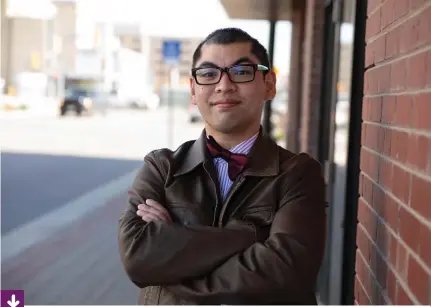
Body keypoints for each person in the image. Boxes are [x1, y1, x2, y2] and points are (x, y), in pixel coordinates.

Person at [118, 27, 326, 305]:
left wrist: (173, 267)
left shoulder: (298, 174)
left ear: (269, 84)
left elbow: (284, 270)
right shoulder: (161, 168)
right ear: (193, 89)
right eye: (208, 74)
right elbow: (137, 256)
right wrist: (251, 235)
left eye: (241, 72)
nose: (224, 85)